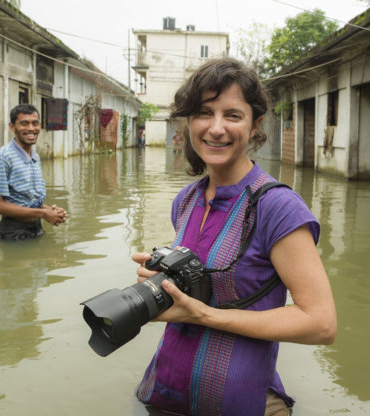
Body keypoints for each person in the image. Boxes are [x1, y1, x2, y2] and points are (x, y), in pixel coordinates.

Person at [131, 58, 336, 416]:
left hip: (240, 401)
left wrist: (205, 316)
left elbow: (320, 323)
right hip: (165, 391)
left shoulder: (278, 207)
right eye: (204, 113)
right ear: (189, 122)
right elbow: (198, 289)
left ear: (256, 125)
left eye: (232, 115)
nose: (216, 128)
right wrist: (162, 284)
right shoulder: (187, 200)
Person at [0, 104, 67, 240]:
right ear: (12, 126)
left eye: (35, 123)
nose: (31, 128)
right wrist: (43, 213)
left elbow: (28, 199)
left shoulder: (35, 157)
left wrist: (49, 210)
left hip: (36, 228)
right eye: (24, 124)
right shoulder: (2, 157)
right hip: (13, 232)